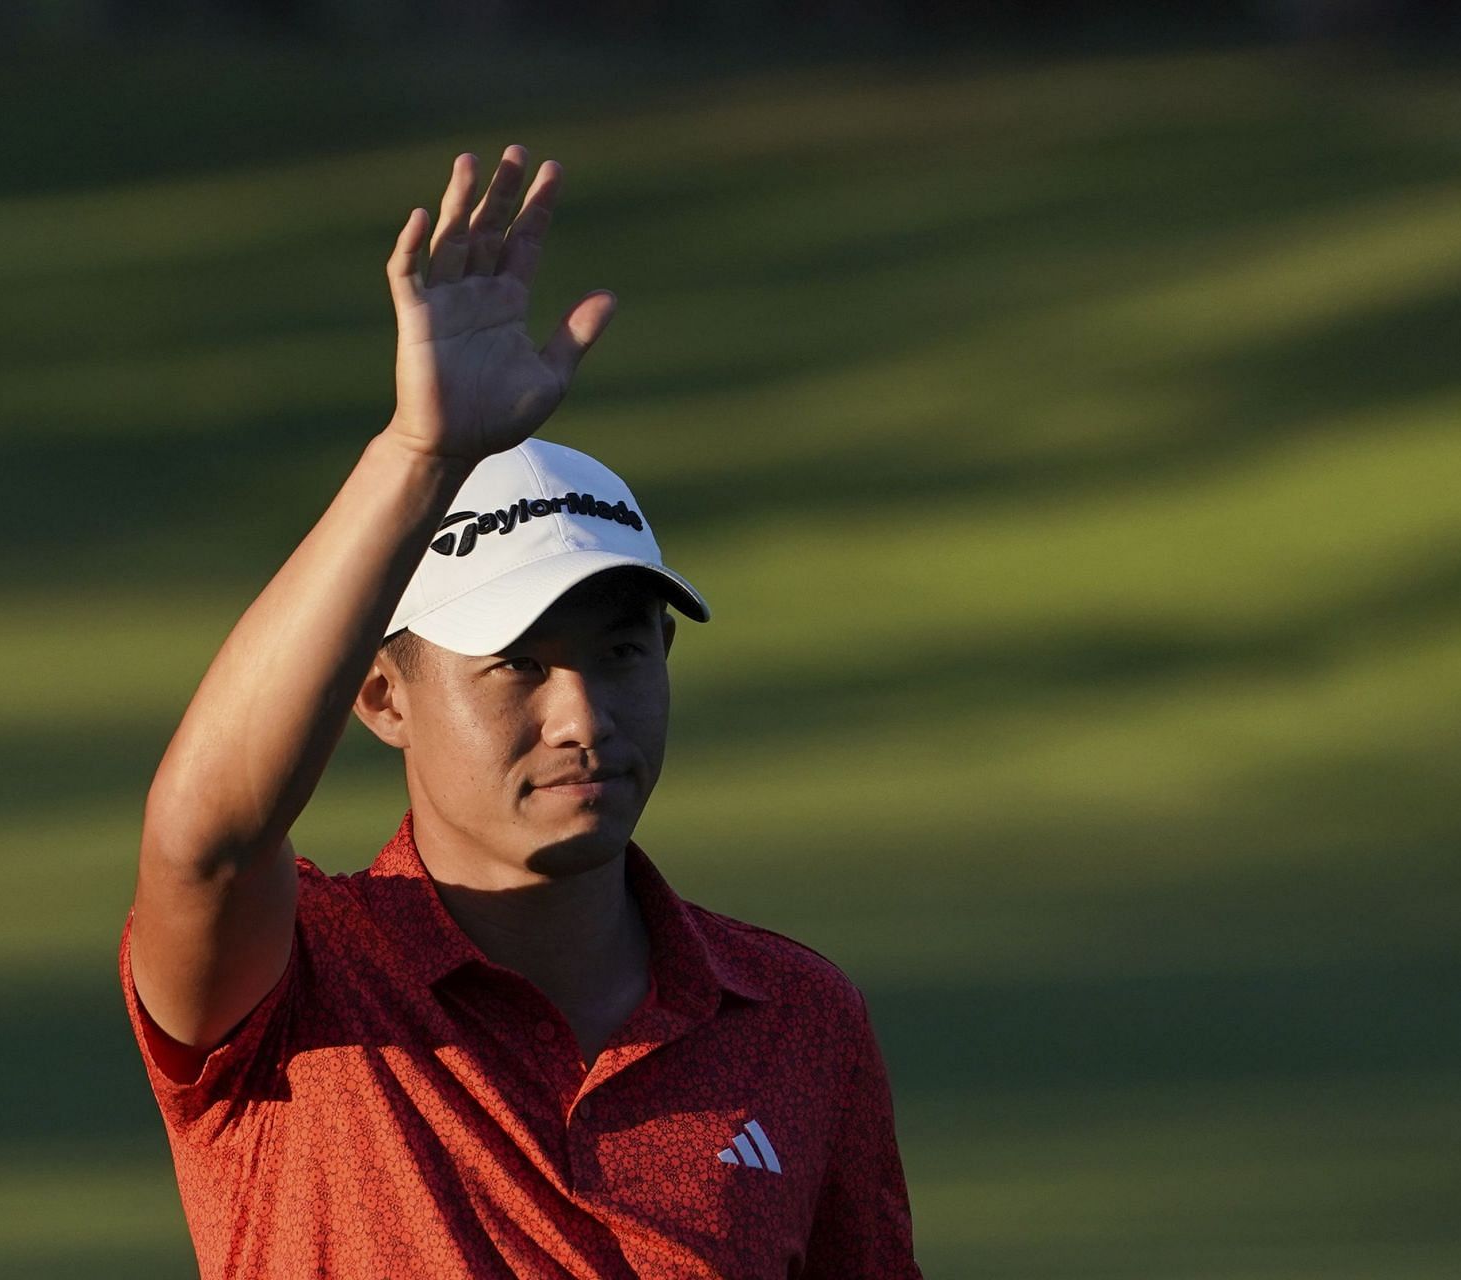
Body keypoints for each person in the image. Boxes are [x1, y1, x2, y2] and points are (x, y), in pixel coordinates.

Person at [119, 144, 923, 1279]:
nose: (584, 713)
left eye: (621, 650)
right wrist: (416, 456)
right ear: (383, 695)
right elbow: (205, 836)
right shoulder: (296, 982)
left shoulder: (795, 1014)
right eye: (518, 663)